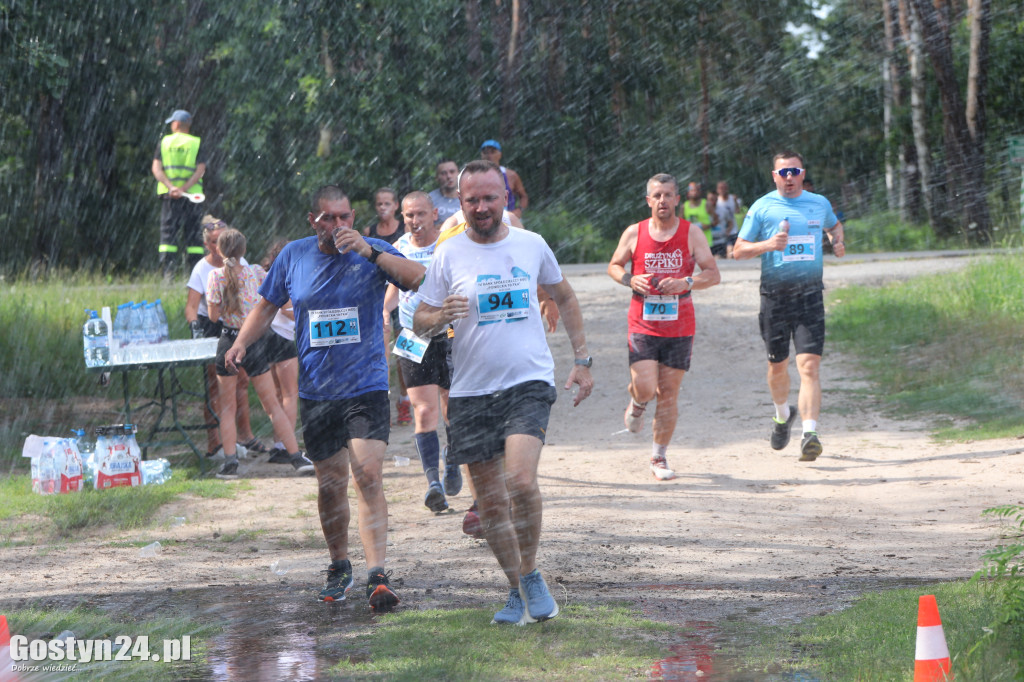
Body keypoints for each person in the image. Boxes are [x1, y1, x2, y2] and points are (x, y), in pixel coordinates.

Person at [225, 184, 425, 609]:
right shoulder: (293, 256)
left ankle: (378, 576)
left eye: (345, 217)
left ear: (353, 217)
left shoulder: (372, 250)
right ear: (312, 221)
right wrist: (241, 342)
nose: (338, 226)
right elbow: (264, 306)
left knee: (367, 475)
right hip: (318, 391)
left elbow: (416, 278)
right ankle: (339, 565)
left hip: (365, 385)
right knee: (331, 484)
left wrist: (370, 253)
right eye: (328, 219)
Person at [413, 160, 593, 625]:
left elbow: (565, 296)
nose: (481, 207)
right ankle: (515, 587)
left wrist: (582, 358)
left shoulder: (530, 244)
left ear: (505, 199)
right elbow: (419, 321)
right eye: (471, 199)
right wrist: (438, 318)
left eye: (489, 197)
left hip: (527, 381)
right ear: (459, 203)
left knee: (521, 482)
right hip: (471, 391)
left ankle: (530, 574)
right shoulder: (447, 255)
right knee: (491, 503)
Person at [732, 151, 846, 462]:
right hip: (775, 298)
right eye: (783, 172)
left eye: (794, 171)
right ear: (774, 176)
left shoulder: (818, 203)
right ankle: (783, 415)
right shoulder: (763, 207)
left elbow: (834, 226)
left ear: (802, 173)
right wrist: (768, 244)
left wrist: (837, 240)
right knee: (777, 367)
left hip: (810, 296)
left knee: (809, 366)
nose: (789, 177)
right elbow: (738, 251)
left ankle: (810, 434)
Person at [606, 173, 721, 480]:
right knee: (645, 387)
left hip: (680, 326)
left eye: (668, 195)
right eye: (657, 195)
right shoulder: (635, 232)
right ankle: (637, 401)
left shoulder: (691, 233)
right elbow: (614, 265)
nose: (662, 201)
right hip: (643, 322)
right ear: (648, 201)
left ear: (677, 199)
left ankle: (658, 457)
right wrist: (630, 279)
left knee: (668, 393)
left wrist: (687, 282)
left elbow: (713, 273)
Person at [205, 228, 310, 479]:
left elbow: (213, 316)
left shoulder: (215, 277)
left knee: (228, 407)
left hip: (229, 340)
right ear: (243, 250)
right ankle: (296, 456)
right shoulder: (257, 272)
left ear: (219, 250)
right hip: (255, 341)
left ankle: (231, 463)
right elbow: (272, 303)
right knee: (272, 404)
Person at [383, 192, 462, 512]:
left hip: (449, 333)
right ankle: (433, 483)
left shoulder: (449, 244)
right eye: (408, 216)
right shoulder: (399, 248)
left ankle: (453, 460)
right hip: (411, 335)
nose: (414, 222)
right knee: (424, 411)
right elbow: (393, 287)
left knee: (452, 406)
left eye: (420, 215)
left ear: (433, 214)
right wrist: (382, 313)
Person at [184, 215, 266, 459]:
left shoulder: (241, 263)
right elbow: (192, 306)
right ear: (208, 245)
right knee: (216, 386)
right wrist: (195, 327)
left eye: (220, 240)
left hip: (237, 326)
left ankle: (246, 435)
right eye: (211, 242)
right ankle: (214, 443)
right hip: (213, 325)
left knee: (241, 381)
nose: (216, 245)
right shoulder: (203, 269)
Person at [363, 187, 411, 425]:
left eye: (387, 204)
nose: (382, 208)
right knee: (379, 353)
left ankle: (404, 400)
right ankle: (381, 403)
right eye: (379, 204)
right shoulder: (369, 233)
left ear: (395, 207)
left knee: (403, 353)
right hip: (377, 297)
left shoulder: (403, 232)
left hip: (401, 296)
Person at [152, 109, 207, 277]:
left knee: (168, 234)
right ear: (188, 125)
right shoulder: (195, 143)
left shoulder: (165, 143)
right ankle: (195, 274)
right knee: (194, 235)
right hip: (192, 197)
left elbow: (156, 168)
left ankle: (168, 274)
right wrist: (184, 189)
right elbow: (200, 170)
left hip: (169, 197)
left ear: (176, 124)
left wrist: (172, 188)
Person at [260, 239, 300, 464]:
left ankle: (278, 443)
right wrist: (310, 314)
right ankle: (285, 445)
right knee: (289, 394)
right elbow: (286, 309)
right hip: (281, 337)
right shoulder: (286, 275)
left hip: (267, 336)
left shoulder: (269, 273)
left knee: (276, 394)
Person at [479, 140, 529, 217]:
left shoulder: (511, 175)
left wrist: (519, 210)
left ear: (500, 154)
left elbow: (523, 196)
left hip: (509, 221)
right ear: (481, 155)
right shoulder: (475, 176)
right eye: (486, 152)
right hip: (484, 220)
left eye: (493, 152)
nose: (489, 155)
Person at [681, 181, 715, 248]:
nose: (694, 192)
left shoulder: (707, 204)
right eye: (692, 190)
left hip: (706, 243)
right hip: (691, 243)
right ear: (688, 193)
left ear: (700, 192)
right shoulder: (684, 207)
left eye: (696, 190)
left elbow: (716, 220)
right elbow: (679, 224)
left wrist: (708, 226)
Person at [714, 180, 742, 259]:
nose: (722, 190)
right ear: (717, 190)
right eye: (720, 188)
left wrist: (736, 202)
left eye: (724, 188)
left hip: (734, 229)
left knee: (733, 250)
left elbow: (738, 212)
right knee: (727, 251)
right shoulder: (717, 201)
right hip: (722, 230)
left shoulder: (732, 198)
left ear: (727, 189)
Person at [428, 159, 461, 226]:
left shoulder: (468, 197)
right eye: (443, 173)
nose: (449, 176)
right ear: (437, 178)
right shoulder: (429, 199)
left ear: (459, 174)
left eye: (452, 172)